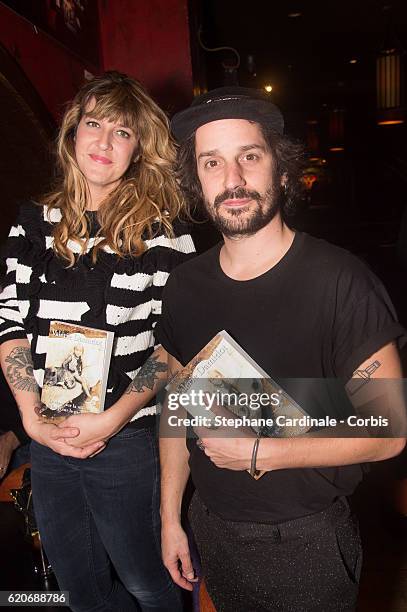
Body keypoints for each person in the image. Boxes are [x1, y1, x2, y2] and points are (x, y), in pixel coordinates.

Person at [153, 87, 406, 611]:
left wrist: (257, 452)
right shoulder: (184, 286)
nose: (233, 180)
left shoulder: (340, 281)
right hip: (213, 530)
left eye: (249, 156)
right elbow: (176, 409)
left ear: (282, 170)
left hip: (307, 540)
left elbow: (390, 431)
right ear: (196, 183)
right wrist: (170, 518)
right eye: (212, 163)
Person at [0, 71, 194, 611]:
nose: (104, 141)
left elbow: (174, 347)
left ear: (140, 148)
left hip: (125, 439)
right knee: (80, 592)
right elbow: (10, 324)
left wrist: (110, 420)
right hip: (49, 433)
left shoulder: (164, 231)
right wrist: (32, 417)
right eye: (93, 124)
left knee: (147, 584)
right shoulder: (33, 222)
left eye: (123, 132)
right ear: (72, 133)